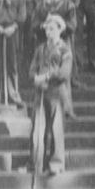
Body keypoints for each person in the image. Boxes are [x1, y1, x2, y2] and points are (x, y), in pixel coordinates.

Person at [30, 14, 73, 176]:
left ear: (60, 30)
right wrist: (35, 78)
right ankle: (36, 162)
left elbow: (64, 72)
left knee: (56, 128)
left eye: (52, 29)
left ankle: (56, 164)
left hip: (56, 91)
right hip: (40, 91)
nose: (49, 32)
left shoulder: (65, 49)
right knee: (37, 128)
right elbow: (32, 69)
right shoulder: (40, 48)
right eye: (47, 29)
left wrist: (47, 76)